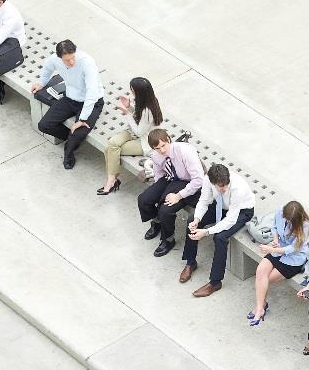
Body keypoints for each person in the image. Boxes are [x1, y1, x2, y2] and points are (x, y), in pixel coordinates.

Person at [179, 164, 255, 298]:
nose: (224, 188)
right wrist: (197, 220)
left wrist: (206, 232)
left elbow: (230, 220)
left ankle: (215, 282)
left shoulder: (238, 188)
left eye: (226, 185)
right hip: (221, 205)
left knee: (220, 237)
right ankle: (191, 262)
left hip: (242, 211)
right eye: (220, 186)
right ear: (212, 182)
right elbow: (204, 201)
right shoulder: (208, 180)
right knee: (192, 220)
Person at [31, 40, 105, 168]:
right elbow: (47, 68)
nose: (71, 62)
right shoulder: (54, 59)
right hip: (70, 98)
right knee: (44, 125)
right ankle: (71, 139)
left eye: (72, 58)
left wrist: (82, 119)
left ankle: (69, 151)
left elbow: (92, 93)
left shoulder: (87, 62)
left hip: (92, 102)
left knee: (79, 132)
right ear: (60, 58)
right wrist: (41, 82)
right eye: (67, 60)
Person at [137, 129, 207, 257]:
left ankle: (168, 240)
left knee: (165, 210)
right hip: (170, 179)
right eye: (157, 148)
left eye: (164, 145)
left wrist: (179, 195)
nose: (162, 150)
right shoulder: (156, 155)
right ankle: (157, 222)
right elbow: (159, 173)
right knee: (144, 199)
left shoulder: (185, 151)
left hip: (188, 182)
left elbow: (199, 180)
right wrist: (158, 191)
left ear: (168, 140)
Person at [248, 201, 309, 326]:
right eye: (286, 219)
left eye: (290, 221)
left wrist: (272, 249)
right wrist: (276, 240)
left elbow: (295, 248)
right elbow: (275, 227)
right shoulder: (280, 211)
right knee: (260, 273)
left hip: (293, 259)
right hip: (278, 250)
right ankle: (261, 307)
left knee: (266, 279)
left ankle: (260, 308)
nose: (287, 222)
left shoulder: (305, 224)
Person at [98, 78, 162, 196]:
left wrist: (127, 113)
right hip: (132, 132)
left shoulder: (148, 109)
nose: (131, 91)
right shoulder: (142, 100)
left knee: (111, 149)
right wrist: (130, 107)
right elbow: (138, 118)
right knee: (112, 144)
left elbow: (139, 132)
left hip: (145, 140)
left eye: (132, 89)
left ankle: (111, 181)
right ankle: (113, 180)